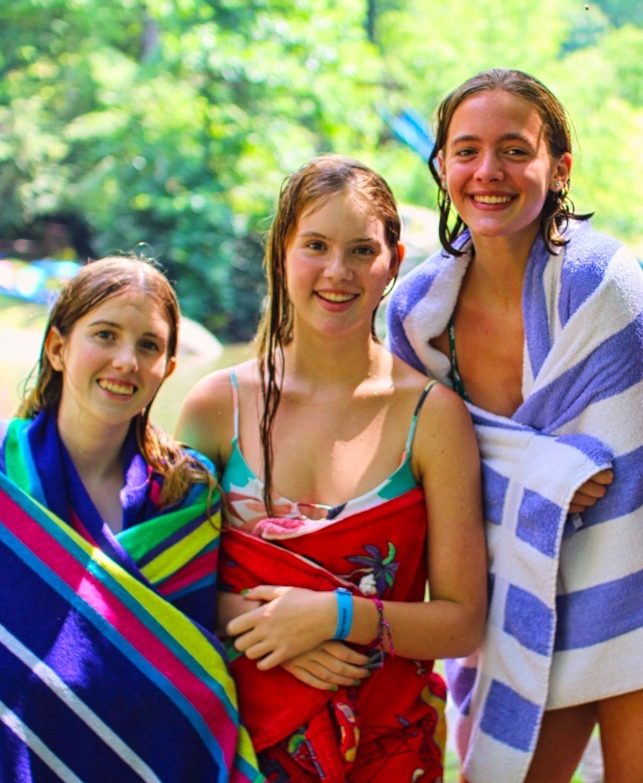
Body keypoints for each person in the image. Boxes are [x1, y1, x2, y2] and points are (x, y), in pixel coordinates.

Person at [387, 68, 643, 783]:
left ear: (558, 168)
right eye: (465, 151)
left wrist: (484, 462)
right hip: (511, 598)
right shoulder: (413, 312)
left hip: (638, 578)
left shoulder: (601, 279)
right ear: (441, 167)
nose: (488, 172)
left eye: (514, 150)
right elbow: (420, 468)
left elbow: (608, 472)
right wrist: (539, 468)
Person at [0, 257, 263, 783]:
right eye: (105, 335)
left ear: (168, 369)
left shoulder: (187, 497)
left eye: (148, 346)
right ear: (58, 348)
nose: (126, 360)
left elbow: (187, 678)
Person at [176, 155, 486, 782]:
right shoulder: (216, 408)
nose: (337, 272)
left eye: (361, 251)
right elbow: (166, 588)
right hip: (234, 749)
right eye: (315, 245)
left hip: (387, 752)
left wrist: (335, 616)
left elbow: (462, 622)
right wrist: (262, 620)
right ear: (282, 252)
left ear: (393, 264)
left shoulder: (432, 416)